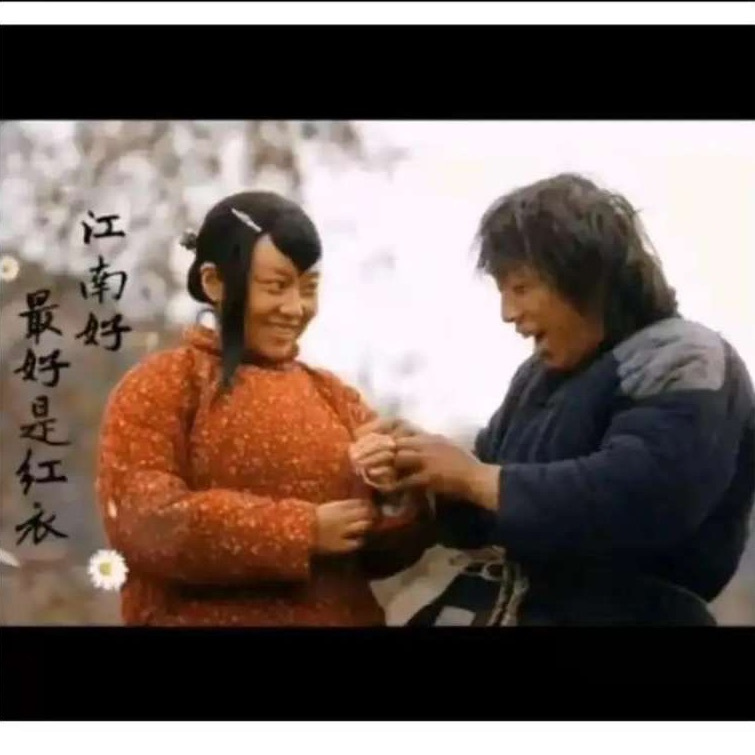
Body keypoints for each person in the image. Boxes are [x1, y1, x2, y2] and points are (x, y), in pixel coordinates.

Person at [353, 173, 755, 626]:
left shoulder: (684, 358)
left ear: (584, 278)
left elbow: (641, 498)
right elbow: (480, 510)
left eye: (521, 288)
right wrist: (421, 473)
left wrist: (475, 478)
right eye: (502, 292)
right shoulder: (538, 379)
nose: (508, 313)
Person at [95, 190, 430, 626]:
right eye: (276, 287)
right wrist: (302, 531)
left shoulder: (335, 398)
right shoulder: (162, 386)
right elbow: (144, 522)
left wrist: (393, 493)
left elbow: (386, 555)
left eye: (308, 289)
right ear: (215, 283)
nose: (295, 308)